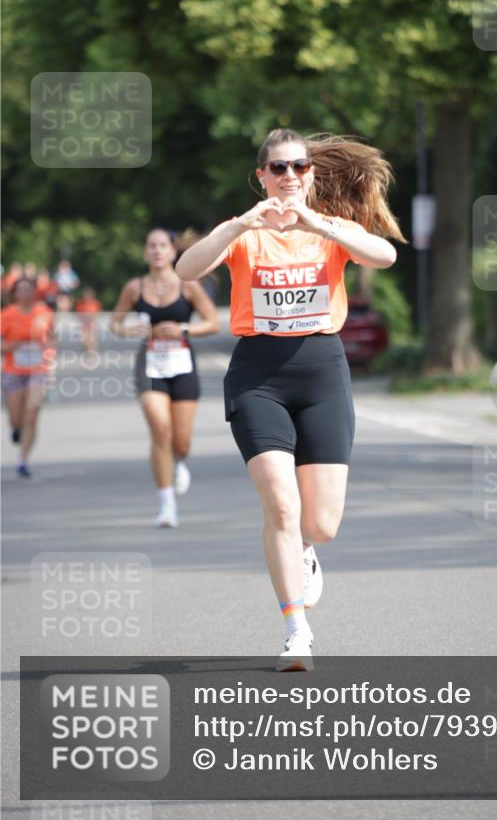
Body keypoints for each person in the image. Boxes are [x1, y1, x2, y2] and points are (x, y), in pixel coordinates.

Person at [176, 129, 406, 671]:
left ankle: (306, 551)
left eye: (299, 167)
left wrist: (319, 223)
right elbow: (186, 269)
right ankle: (295, 629)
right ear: (261, 176)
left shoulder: (329, 230)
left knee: (320, 524)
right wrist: (239, 223)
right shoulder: (243, 233)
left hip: (322, 372)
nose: (289, 177)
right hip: (259, 376)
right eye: (278, 168)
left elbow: (385, 256)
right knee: (281, 503)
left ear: (310, 174)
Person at [110, 229, 220, 527]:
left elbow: (212, 322)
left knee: (180, 441)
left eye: (163, 246)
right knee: (160, 430)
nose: (158, 251)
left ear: (173, 252)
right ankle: (167, 505)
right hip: (150, 364)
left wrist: (183, 329)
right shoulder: (135, 287)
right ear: (145, 252)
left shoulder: (189, 286)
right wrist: (129, 330)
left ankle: (181, 462)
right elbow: (115, 323)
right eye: (152, 246)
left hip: (183, 363)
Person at [1, 277, 56, 478]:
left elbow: (52, 339)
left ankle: (22, 460)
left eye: (29, 290)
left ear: (35, 292)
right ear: (15, 293)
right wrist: (8, 347)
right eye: (21, 290)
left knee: (31, 414)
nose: (25, 294)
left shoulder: (45, 314)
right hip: (13, 372)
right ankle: (16, 429)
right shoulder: (6, 315)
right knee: (17, 419)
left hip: (37, 371)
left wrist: (50, 356)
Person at [75, 287, 103, 353]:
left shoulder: (95, 303)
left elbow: (98, 314)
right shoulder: (80, 304)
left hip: (92, 324)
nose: (86, 296)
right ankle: (86, 351)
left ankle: (92, 352)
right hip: (83, 325)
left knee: (91, 339)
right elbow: (79, 315)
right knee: (83, 340)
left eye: (88, 295)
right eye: (85, 294)